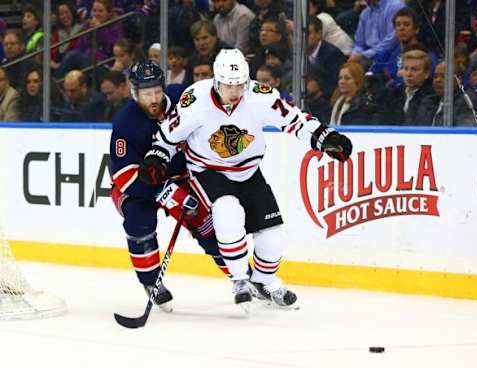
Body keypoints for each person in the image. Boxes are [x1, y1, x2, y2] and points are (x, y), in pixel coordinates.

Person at [140, 49, 352, 308]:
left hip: (249, 171)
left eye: (239, 84)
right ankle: (240, 278)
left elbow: (294, 120)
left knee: (272, 237)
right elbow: (168, 137)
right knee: (228, 213)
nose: (235, 92)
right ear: (217, 81)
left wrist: (325, 138)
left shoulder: (260, 96)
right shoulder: (195, 100)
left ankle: (263, 281)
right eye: (228, 86)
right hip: (209, 171)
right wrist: (156, 159)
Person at [110, 61, 231, 311]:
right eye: (146, 93)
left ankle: (243, 277)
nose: (153, 98)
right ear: (134, 93)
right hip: (139, 184)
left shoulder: (181, 98)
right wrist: (165, 193)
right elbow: (124, 176)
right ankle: (151, 281)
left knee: (206, 223)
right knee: (138, 221)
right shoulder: (125, 123)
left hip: (182, 176)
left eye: (156, 91)